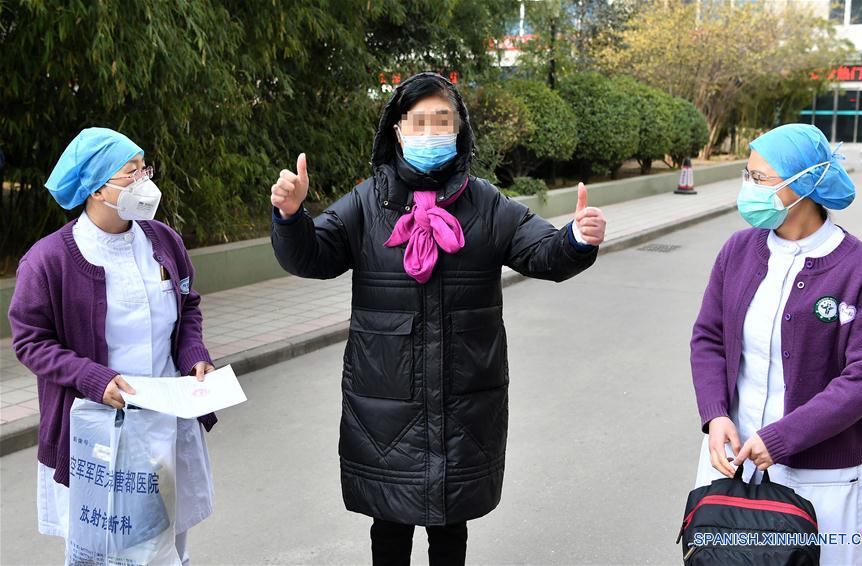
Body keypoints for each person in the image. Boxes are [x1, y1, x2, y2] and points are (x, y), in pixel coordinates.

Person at [269, 72, 605, 565]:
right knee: (389, 528)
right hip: (384, 405)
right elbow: (312, 257)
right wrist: (291, 218)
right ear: (398, 131)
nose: (430, 132)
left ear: (460, 129)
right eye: (419, 122)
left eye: (441, 121)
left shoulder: (486, 203)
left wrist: (576, 238)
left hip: (463, 403)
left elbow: (543, 253)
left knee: (451, 527)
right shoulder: (367, 203)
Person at [8, 127, 218, 565]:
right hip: (99, 430)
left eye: (145, 168)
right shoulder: (50, 260)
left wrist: (194, 355)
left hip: (166, 421)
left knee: (167, 542)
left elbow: (187, 307)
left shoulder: (163, 241)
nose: (145, 181)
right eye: (131, 172)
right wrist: (92, 378)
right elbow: (31, 340)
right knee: (105, 548)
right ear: (96, 187)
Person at [690, 123, 862, 565]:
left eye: (759, 178)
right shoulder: (738, 251)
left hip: (820, 480)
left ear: (801, 184)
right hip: (733, 467)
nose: (748, 187)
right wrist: (716, 414)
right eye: (748, 174)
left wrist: (783, 437)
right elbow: (708, 337)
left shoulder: (857, 268)